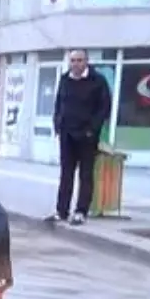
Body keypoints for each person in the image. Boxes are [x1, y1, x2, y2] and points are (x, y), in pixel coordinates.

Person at [49, 50, 112, 226]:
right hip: (67, 134)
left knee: (85, 174)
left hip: (86, 136)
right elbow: (59, 103)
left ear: (86, 62)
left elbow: (104, 107)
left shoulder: (97, 81)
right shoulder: (65, 79)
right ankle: (61, 211)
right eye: (73, 60)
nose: (76, 64)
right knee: (66, 173)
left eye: (79, 60)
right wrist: (57, 124)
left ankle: (80, 211)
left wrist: (92, 130)